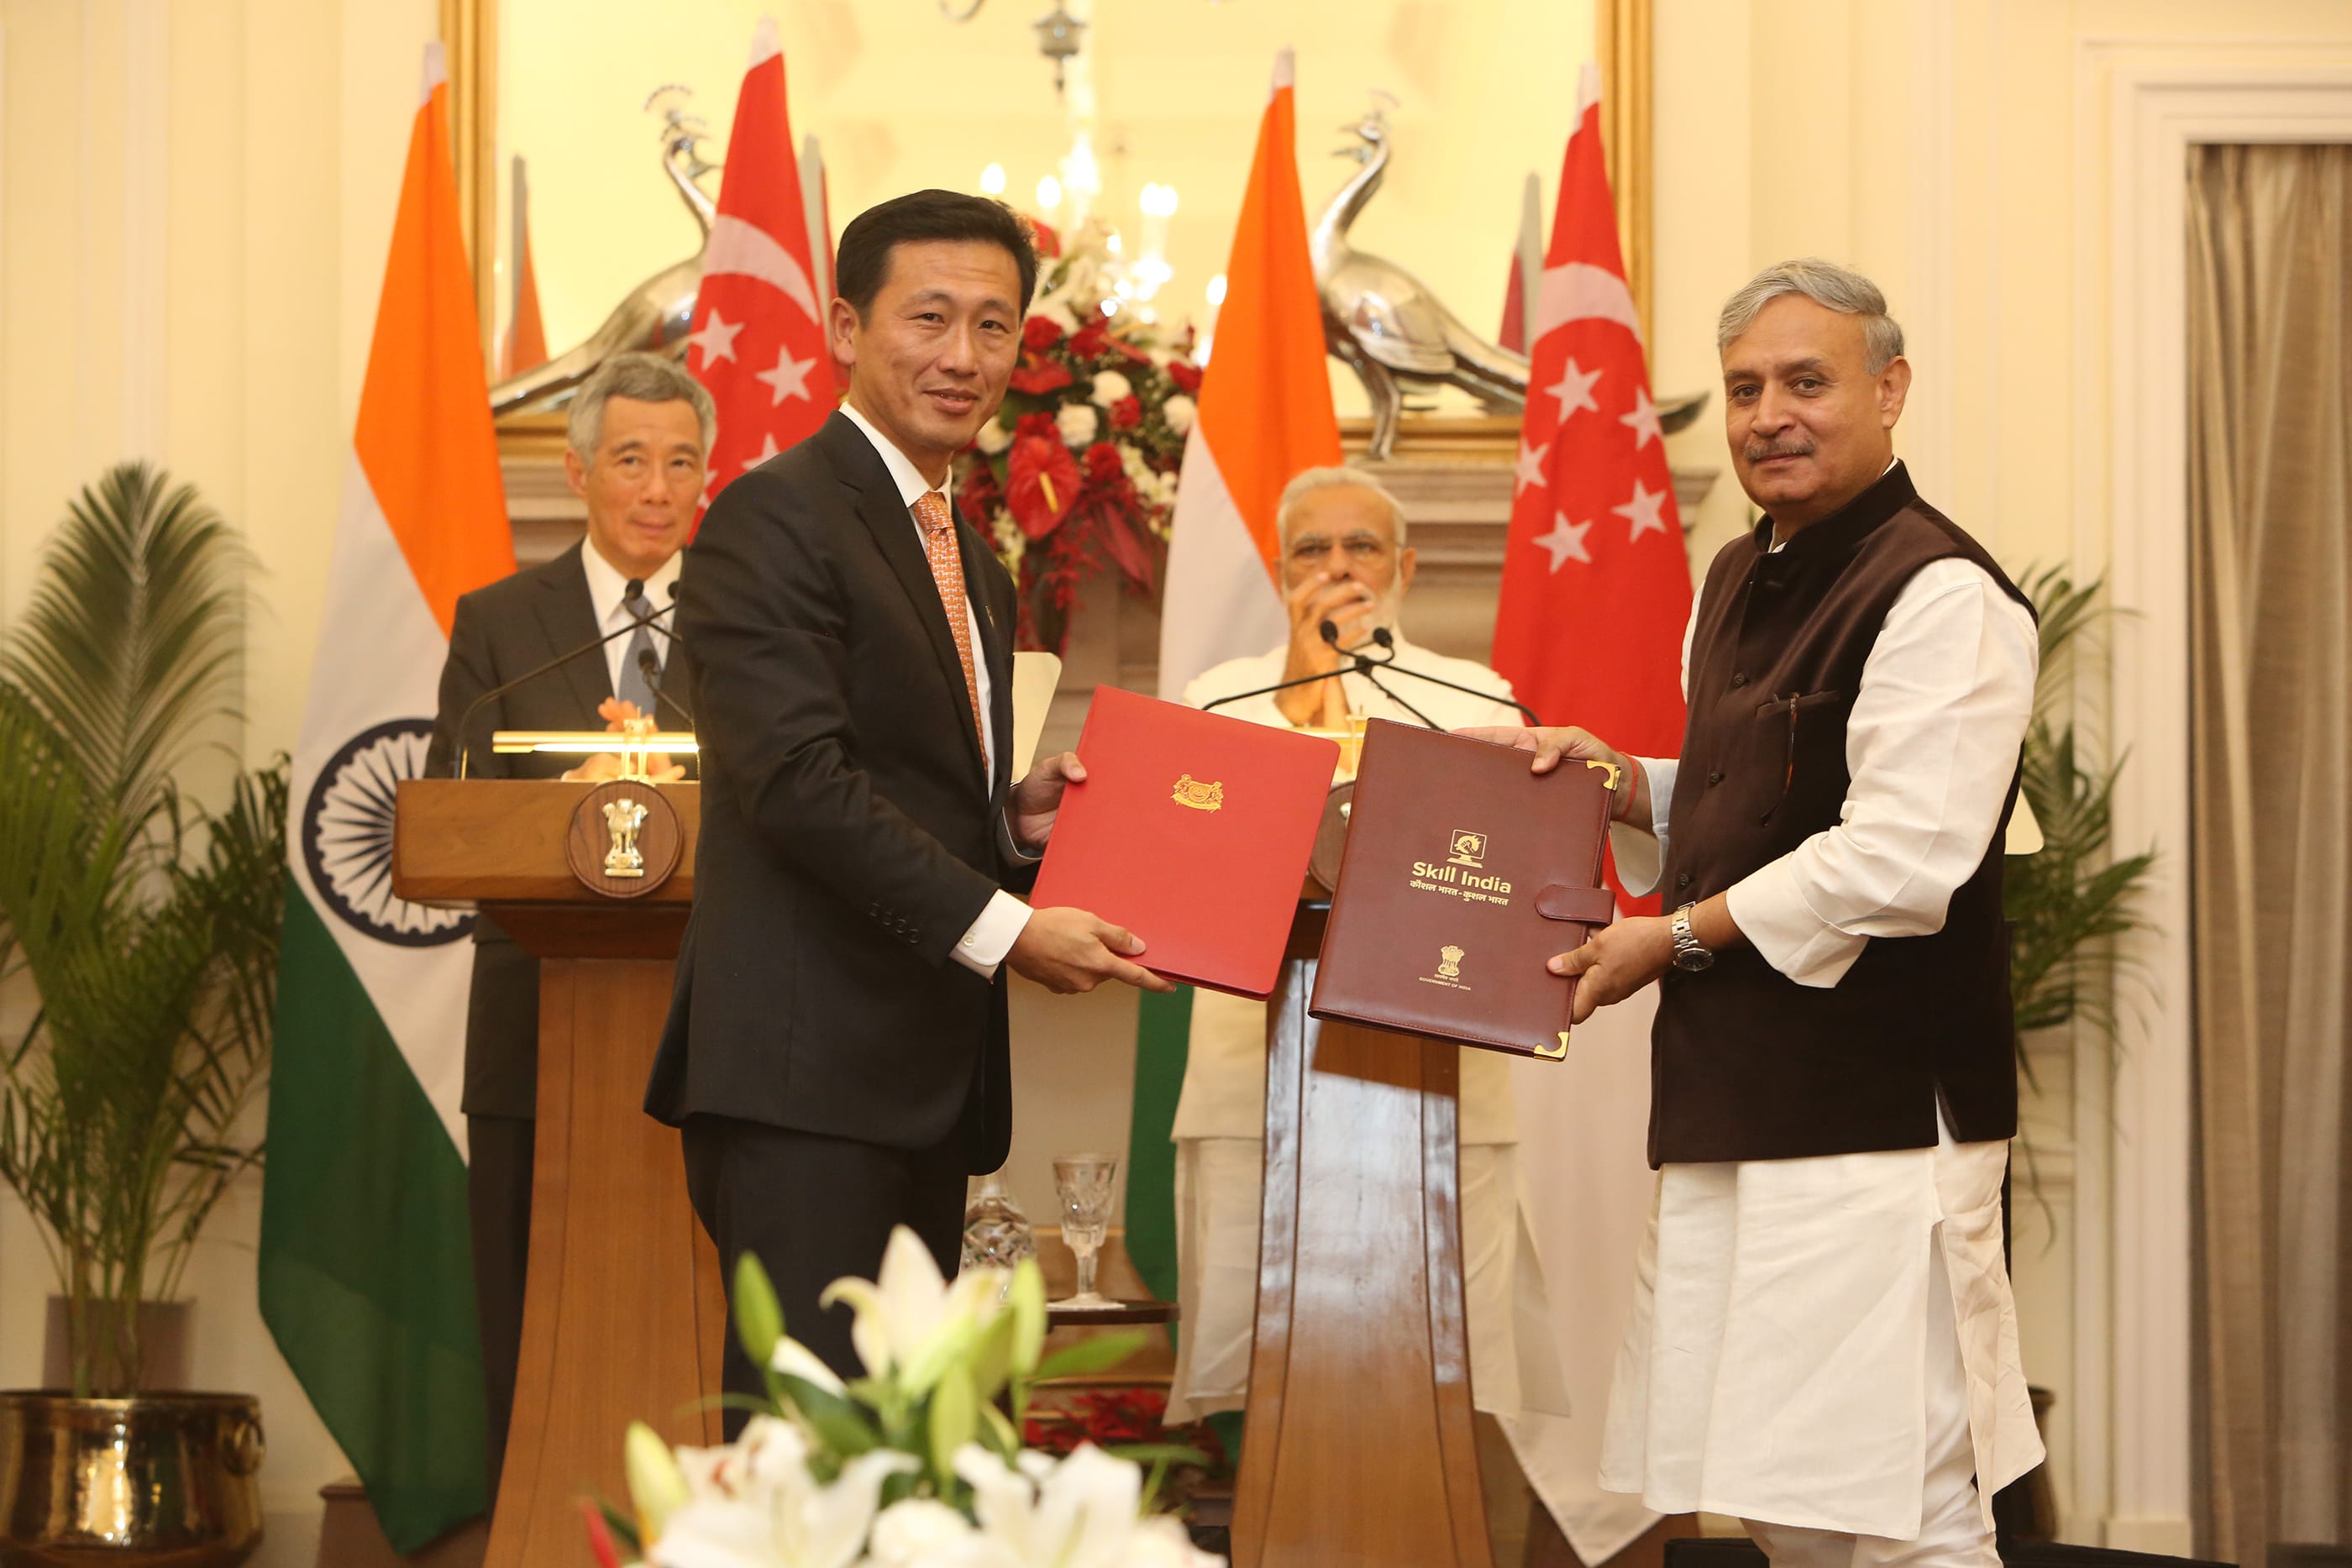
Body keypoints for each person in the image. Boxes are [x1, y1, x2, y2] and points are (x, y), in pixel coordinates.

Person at [1468, 259, 2045, 1568]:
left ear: (1889, 390)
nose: (1769, 413)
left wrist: (1664, 937)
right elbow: (1750, 800)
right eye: (1743, 388)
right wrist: (1615, 779)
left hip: (1875, 1122)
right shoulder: (1736, 569)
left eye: (1807, 381)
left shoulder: (1941, 592)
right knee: (1781, 1495)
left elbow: (1902, 861)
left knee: (1901, 1511)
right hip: (1737, 1103)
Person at [643, 191, 1173, 1420]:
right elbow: (795, 782)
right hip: (803, 1085)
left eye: (994, 325)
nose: (962, 356)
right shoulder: (773, 515)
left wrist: (1015, 817)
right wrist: (1007, 925)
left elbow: (909, 784)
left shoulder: (959, 545)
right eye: (927, 316)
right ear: (842, 325)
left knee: (900, 1455)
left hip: (917, 1081)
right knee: (810, 1454)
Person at [1173, 465, 1572, 1529]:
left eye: (1360, 548)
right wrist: (1309, 690)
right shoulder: (1217, 697)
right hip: (1253, 1080)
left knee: (1453, 1361)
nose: (1337, 568)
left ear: (1405, 569)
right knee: (1268, 1364)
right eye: (1312, 549)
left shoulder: (1474, 699)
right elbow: (1202, 873)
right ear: (1279, 571)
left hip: (1437, 1089)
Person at [425, 349, 710, 1502]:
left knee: (695, 1297)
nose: (656, 487)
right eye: (631, 460)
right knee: (529, 1294)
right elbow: (453, 806)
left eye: (680, 461)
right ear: (577, 469)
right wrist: (570, 806)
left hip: (714, 1012)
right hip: (534, 1023)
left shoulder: (756, 621)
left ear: (707, 478)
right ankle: (534, 1521)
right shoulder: (504, 623)